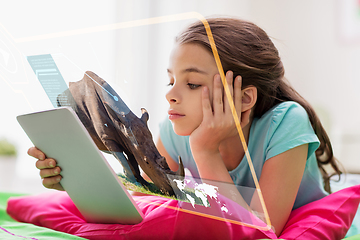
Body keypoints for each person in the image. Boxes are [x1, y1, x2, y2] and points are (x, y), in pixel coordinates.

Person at [27, 17, 341, 236]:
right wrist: (80, 182)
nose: (170, 94)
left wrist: (204, 150)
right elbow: (155, 196)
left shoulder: (285, 122)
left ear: (245, 98)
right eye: (171, 80)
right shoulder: (174, 131)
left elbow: (259, 229)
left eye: (191, 83)